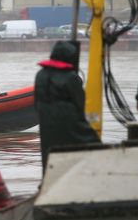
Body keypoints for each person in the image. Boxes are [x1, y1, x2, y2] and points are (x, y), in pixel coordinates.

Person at [34, 41, 100, 172]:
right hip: (67, 118)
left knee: (48, 150)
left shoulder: (40, 75)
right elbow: (80, 103)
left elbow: (36, 100)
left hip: (45, 119)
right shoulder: (71, 78)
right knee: (91, 141)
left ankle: (48, 178)